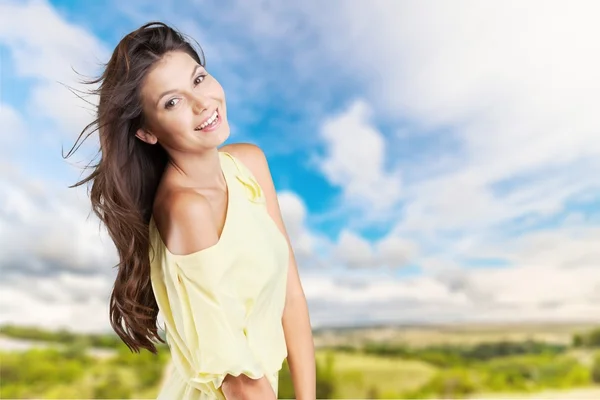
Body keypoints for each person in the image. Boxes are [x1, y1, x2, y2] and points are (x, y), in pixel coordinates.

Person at [65, 21, 316, 399]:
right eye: (172, 101)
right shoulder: (185, 210)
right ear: (147, 132)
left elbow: (291, 295)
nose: (202, 104)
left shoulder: (249, 164)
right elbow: (240, 382)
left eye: (198, 79)